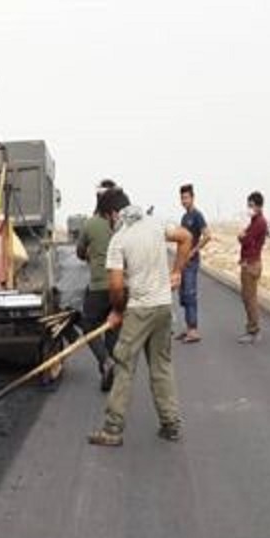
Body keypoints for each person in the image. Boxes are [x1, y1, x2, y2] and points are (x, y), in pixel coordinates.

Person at [88, 199, 193, 447]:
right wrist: (177, 271)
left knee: (124, 364)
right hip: (163, 307)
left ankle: (112, 429)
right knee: (161, 366)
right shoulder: (156, 225)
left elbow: (115, 285)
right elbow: (186, 237)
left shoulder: (119, 240)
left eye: (111, 219)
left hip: (138, 309)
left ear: (117, 215)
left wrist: (116, 311)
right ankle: (171, 424)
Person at [78, 186, 129, 391]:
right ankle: (111, 368)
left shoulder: (90, 225)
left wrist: (89, 255)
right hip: (120, 286)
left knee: (89, 325)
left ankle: (105, 361)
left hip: (99, 286)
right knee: (113, 328)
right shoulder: (123, 225)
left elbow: (80, 251)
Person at [176, 183, 211, 343]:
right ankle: (189, 327)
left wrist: (193, 251)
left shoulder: (197, 215)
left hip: (191, 262)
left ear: (192, 198)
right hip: (183, 262)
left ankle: (194, 330)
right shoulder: (184, 217)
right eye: (182, 198)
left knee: (190, 294)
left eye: (186, 197)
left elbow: (207, 235)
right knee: (183, 295)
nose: (184, 201)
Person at [237, 191, 268, 344]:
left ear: (258, 206)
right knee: (247, 297)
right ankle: (252, 329)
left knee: (250, 299)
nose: (249, 208)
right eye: (248, 205)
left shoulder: (259, 222)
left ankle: (253, 331)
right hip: (248, 263)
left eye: (251, 205)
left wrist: (241, 235)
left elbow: (246, 240)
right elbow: (243, 239)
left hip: (251, 264)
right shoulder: (253, 221)